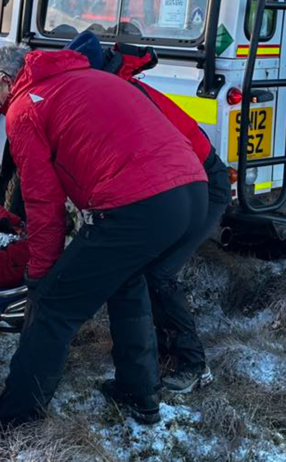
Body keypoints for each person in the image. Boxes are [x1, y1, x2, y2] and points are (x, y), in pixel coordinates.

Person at [0, 44, 208, 429]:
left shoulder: (25, 107)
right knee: (126, 280)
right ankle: (140, 394)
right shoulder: (89, 77)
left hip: (138, 205)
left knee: (53, 307)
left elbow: (42, 200)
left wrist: (41, 273)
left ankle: (12, 425)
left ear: (5, 80)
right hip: (193, 194)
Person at [68, 31, 232, 394]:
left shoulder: (122, 96)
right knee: (145, 269)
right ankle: (161, 352)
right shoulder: (115, 89)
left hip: (203, 181)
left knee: (158, 272)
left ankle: (193, 364)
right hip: (182, 182)